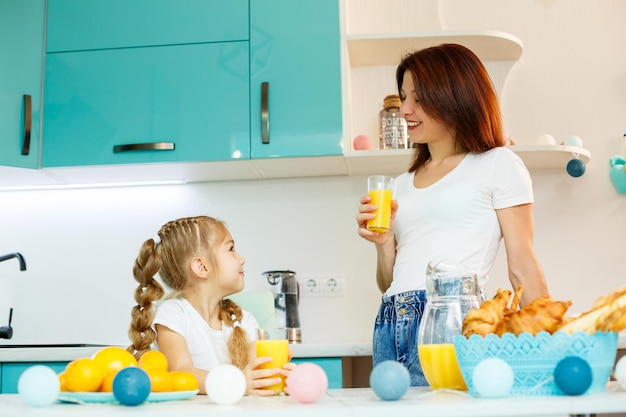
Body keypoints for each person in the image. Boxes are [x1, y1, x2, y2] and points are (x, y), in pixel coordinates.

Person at [355, 43, 549, 386]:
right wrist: (384, 244)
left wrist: (549, 346)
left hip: (449, 321)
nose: (406, 110)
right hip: (389, 322)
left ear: (455, 97)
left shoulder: (498, 164)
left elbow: (522, 266)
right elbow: (390, 282)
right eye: (403, 97)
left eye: (419, 97)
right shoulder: (400, 185)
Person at [126, 215, 293, 396]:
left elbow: (257, 374)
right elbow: (182, 372)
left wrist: (274, 376)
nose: (242, 258)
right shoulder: (173, 314)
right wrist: (236, 383)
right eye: (231, 249)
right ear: (202, 267)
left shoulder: (245, 321)